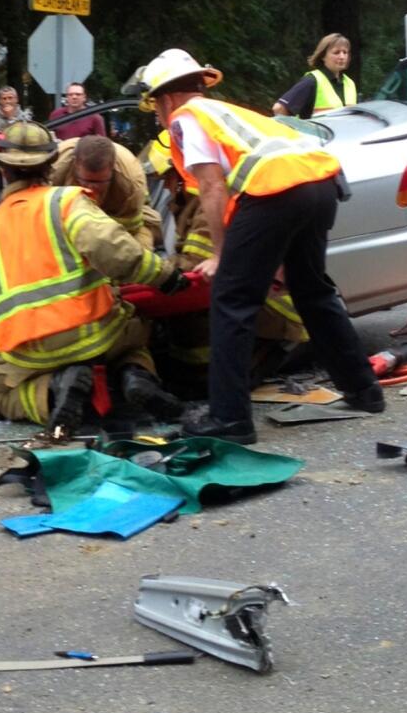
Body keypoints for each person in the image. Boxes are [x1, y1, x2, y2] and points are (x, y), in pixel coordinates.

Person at [137, 48, 383, 444]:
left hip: (279, 195)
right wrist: (273, 262)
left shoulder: (187, 120)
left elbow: (215, 190)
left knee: (231, 300)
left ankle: (230, 419)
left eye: (155, 108)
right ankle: (364, 389)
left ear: (165, 99)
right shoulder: (230, 113)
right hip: (320, 186)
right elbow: (258, 195)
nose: (159, 117)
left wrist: (222, 255)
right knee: (312, 291)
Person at [0, 121, 189, 437]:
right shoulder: (66, 202)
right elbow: (114, 249)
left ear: (2, 170)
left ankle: (52, 391)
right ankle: (135, 375)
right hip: (92, 336)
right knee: (135, 336)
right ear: (53, 163)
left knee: (0, 392)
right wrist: (165, 277)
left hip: (28, 351)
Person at [145, 131, 307, 396]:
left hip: (275, 316)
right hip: (256, 304)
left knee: (195, 314)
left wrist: (144, 268)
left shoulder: (208, 202)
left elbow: (197, 266)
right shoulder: (186, 201)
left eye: (167, 178)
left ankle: (209, 382)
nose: (163, 186)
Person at [48, 135, 155, 249]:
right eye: (86, 181)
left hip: (126, 214)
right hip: (69, 214)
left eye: (99, 182)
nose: (91, 189)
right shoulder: (54, 169)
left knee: (136, 249)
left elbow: (131, 227)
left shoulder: (131, 182)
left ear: (112, 168)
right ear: (76, 165)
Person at [272, 33, 357, 118]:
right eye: (336, 52)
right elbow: (279, 109)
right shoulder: (311, 81)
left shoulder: (350, 83)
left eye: (345, 52)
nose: (342, 56)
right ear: (323, 56)